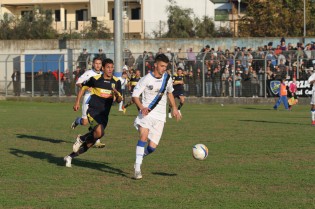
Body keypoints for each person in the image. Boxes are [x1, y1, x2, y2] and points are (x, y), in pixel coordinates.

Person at [64, 58, 122, 167]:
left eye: (112, 67)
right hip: (93, 110)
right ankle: (81, 138)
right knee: (100, 133)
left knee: (91, 142)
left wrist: (117, 95)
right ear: (103, 68)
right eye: (108, 67)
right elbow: (82, 88)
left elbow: (119, 100)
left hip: (104, 115)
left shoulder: (116, 81)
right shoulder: (95, 79)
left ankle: (70, 156)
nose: (110, 69)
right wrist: (77, 102)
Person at [132, 54, 182, 179]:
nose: (164, 68)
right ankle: (137, 168)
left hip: (160, 116)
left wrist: (174, 108)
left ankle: (139, 157)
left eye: (166, 66)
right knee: (143, 136)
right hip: (146, 114)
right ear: (155, 65)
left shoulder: (167, 78)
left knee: (152, 148)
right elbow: (135, 96)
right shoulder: (146, 79)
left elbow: (170, 93)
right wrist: (142, 107)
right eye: (162, 66)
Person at [70, 57, 106, 148]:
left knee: (97, 120)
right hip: (88, 99)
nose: (98, 65)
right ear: (93, 64)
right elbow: (78, 83)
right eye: (96, 63)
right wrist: (86, 87)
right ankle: (77, 120)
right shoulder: (88, 73)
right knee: (85, 122)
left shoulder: (103, 74)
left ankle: (97, 140)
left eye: (99, 63)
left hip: (98, 101)